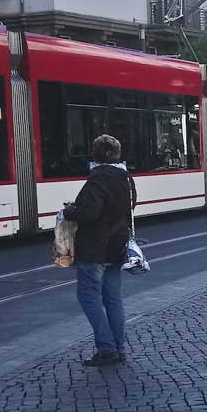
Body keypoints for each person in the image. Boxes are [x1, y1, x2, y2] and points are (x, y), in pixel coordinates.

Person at [62, 134, 137, 367]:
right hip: (117, 247)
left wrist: (70, 211)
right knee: (113, 298)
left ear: (95, 154)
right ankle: (119, 347)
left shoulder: (97, 180)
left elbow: (90, 213)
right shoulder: (126, 178)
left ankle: (106, 348)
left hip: (95, 249)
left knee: (88, 296)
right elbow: (131, 206)